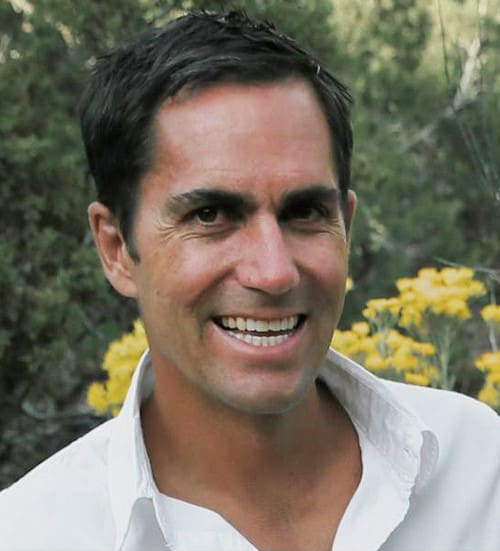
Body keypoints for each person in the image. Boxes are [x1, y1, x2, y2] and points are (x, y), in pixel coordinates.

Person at [1, 10, 499, 551]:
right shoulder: (37, 535)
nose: (274, 271)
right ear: (117, 248)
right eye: (210, 215)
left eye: (305, 212)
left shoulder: (477, 469)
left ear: (346, 225)